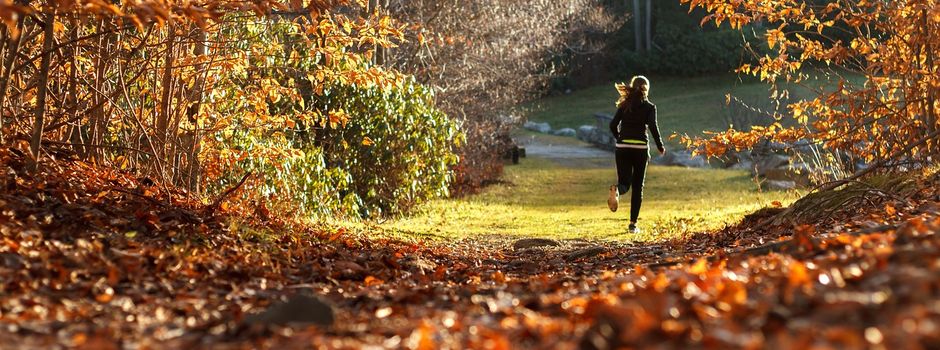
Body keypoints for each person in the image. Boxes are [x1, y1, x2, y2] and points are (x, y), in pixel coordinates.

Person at [607, 76, 665, 234]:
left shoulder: (624, 104)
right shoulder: (650, 107)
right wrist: (660, 145)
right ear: (647, 88)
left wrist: (619, 138)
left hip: (622, 147)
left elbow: (613, 125)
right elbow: (653, 127)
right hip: (640, 149)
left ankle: (616, 190)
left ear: (633, 87)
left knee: (624, 183)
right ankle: (633, 225)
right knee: (638, 187)